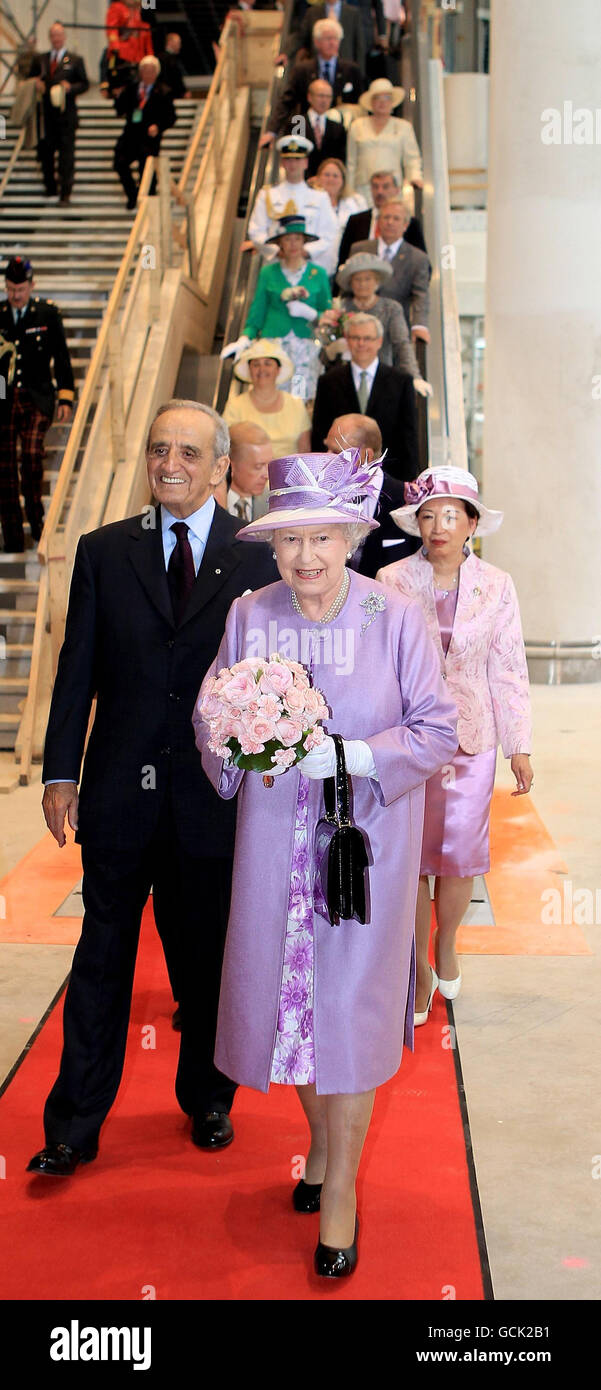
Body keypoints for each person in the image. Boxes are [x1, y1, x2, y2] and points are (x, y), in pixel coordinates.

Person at [194, 450, 457, 1277]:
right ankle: (319, 1144)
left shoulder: (397, 618)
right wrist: (238, 740)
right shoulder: (251, 614)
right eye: (288, 542)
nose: (305, 559)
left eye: (321, 539)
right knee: (287, 1010)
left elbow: (436, 732)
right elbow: (213, 713)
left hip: (363, 856)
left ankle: (338, 1187)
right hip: (274, 845)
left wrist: (355, 755)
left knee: (346, 1011)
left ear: (350, 535)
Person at [26, 401, 277, 1179]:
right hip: (118, 796)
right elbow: (79, 671)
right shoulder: (103, 552)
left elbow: (269, 682)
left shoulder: (256, 558)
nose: (171, 463)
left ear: (220, 465)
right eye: (158, 449)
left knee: (202, 958)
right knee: (101, 958)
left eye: (188, 452)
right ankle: (74, 1122)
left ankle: (208, 1097)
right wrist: (62, 771)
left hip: (210, 799)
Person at [376, 466, 533, 1025]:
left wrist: (520, 743)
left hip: (474, 738)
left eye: (450, 515)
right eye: (427, 515)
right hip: (410, 734)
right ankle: (418, 967)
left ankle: (448, 944)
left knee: (461, 854)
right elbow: (381, 662)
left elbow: (508, 667)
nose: (437, 525)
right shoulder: (390, 579)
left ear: (471, 524)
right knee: (413, 855)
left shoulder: (497, 584)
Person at [0, 256, 74, 554]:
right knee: (4, 470)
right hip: (4, 398)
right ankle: (14, 536)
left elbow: (62, 357)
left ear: (31, 285)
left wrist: (65, 396)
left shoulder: (46, 313)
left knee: (31, 457)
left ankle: (36, 517)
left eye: (21, 289)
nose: (16, 295)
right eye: (10, 288)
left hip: (37, 397)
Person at [223, 216, 332, 400]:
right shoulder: (268, 272)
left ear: (304, 241)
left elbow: (329, 315)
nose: (293, 244)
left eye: (297, 238)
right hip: (274, 347)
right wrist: (245, 338)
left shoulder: (318, 274)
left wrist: (310, 313)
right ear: (280, 243)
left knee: (299, 397)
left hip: (305, 348)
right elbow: (257, 311)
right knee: (273, 395)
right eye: (288, 239)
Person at [311, 311, 418, 479]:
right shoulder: (328, 381)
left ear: (379, 342)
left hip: (389, 478)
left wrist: (409, 483)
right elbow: (319, 434)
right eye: (355, 338)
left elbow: (409, 438)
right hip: (339, 480)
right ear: (347, 340)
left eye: (367, 338)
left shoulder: (401, 382)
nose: (361, 344)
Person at [323, 412, 420, 575]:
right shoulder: (320, 496)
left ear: (366, 456)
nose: (326, 457)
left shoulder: (408, 500)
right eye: (327, 448)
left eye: (336, 451)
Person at [333, 250, 430, 387]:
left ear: (377, 282)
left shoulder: (391, 308)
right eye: (357, 279)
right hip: (345, 378)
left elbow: (401, 345)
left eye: (368, 279)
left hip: (382, 378)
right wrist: (332, 348)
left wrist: (415, 377)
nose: (362, 284)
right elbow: (326, 351)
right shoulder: (340, 307)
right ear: (350, 282)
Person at [246, 136, 339, 277]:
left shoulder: (319, 196)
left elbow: (329, 233)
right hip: (276, 267)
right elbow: (256, 231)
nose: (293, 164)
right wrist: (277, 251)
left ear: (306, 163)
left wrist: (305, 252)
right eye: (288, 159)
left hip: (309, 269)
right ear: (282, 162)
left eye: (297, 159)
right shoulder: (267, 194)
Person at [263, 17, 364, 142]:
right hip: (306, 132)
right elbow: (287, 102)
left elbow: (360, 103)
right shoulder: (302, 70)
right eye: (328, 39)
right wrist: (271, 131)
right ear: (317, 42)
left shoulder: (351, 70)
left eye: (336, 39)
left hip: (338, 134)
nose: (332, 43)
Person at [351, 196, 430, 342]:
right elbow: (347, 288)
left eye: (396, 218)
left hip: (395, 329)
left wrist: (420, 325)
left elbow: (421, 295)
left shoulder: (418, 258)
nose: (390, 222)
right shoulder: (359, 249)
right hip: (359, 327)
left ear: (405, 225)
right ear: (378, 221)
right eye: (386, 217)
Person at [31, 21, 89, 205]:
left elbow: (85, 83)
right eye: (53, 35)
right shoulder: (41, 59)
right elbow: (30, 78)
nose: (56, 38)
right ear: (50, 38)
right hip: (46, 116)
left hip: (66, 116)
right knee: (46, 153)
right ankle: (50, 187)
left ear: (64, 37)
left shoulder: (75, 60)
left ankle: (65, 192)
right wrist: (35, 83)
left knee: (66, 155)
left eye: (59, 35)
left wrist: (70, 87)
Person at [223, 339, 312, 456]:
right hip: (249, 473)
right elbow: (226, 447)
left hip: (289, 473)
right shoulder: (235, 405)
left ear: (278, 370)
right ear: (249, 370)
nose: (262, 369)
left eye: (268, 363)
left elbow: (305, 450)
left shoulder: (296, 404)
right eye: (256, 364)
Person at [346, 77, 423, 206]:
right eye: (377, 98)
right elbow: (351, 162)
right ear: (371, 102)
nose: (382, 103)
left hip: (392, 188)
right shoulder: (357, 126)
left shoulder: (404, 127)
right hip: (362, 188)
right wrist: (348, 191)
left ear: (392, 102)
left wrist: (415, 177)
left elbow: (412, 158)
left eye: (386, 98)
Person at [112, 55, 176, 209]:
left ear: (156, 73)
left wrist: (158, 127)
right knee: (119, 163)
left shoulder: (163, 91)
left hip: (149, 139)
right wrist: (118, 95)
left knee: (146, 172)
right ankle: (133, 196)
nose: (147, 74)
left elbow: (171, 117)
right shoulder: (132, 89)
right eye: (145, 71)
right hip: (131, 134)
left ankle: (148, 202)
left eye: (151, 71)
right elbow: (119, 109)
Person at [337, 168, 427, 267]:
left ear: (397, 190)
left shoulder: (410, 223)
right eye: (375, 187)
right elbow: (343, 261)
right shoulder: (356, 221)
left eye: (385, 187)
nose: (380, 192)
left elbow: (422, 264)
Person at [310, 157, 366, 255]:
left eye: (335, 176)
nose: (331, 179)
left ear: (343, 180)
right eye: (326, 175)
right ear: (318, 178)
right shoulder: (310, 203)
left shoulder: (353, 204)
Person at [288, 1, 366, 68]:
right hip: (318, 68)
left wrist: (360, 71)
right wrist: (286, 53)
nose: (332, 42)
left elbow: (359, 46)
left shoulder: (353, 13)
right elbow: (299, 37)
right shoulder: (312, 12)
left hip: (346, 66)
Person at [226, 421, 272, 521]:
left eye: (269, 465)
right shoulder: (207, 503)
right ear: (230, 465)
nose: (267, 475)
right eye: (258, 467)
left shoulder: (272, 503)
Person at [304, 81, 347, 176]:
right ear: (309, 97)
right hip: (302, 182)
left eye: (328, 97)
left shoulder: (338, 128)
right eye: (320, 96)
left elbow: (340, 161)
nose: (324, 100)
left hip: (328, 182)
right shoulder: (297, 123)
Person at [106, 1, 154, 65]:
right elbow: (112, 29)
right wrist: (115, 47)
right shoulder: (117, 7)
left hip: (139, 56)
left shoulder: (141, 13)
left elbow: (147, 39)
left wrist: (150, 56)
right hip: (122, 53)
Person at [160, 32, 191, 99]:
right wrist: (183, 91)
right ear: (170, 42)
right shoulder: (168, 59)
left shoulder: (169, 58)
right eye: (178, 43)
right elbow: (174, 79)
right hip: (170, 97)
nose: (180, 46)